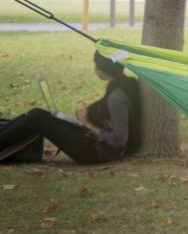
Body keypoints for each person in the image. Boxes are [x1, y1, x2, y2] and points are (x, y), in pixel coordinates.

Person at [0, 52, 141, 165]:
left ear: (101, 70)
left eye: (95, 65)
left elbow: (119, 140)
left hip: (95, 152)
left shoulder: (117, 97)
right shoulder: (123, 85)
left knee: (38, 117)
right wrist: (86, 117)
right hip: (92, 141)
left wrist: (88, 124)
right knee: (39, 116)